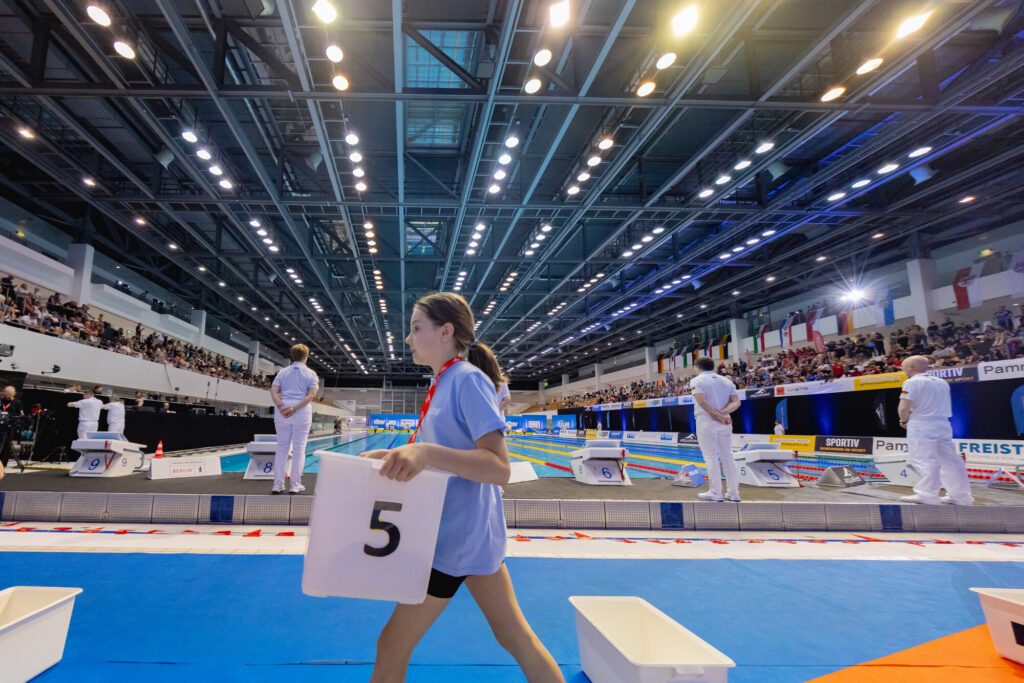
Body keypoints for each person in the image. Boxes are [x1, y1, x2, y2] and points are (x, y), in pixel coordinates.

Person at [360, 292, 562, 683]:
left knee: (392, 645)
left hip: (455, 540)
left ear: (445, 331)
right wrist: (396, 456)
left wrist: (426, 452)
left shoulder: (467, 381)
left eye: (417, 328)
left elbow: (499, 468)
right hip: (466, 535)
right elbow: (442, 455)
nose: (409, 338)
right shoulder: (444, 381)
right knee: (515, 636)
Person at [897, 355, 974, 506]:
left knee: (924, 459)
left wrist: (903, 420)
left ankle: (927, 495)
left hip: (921, 423)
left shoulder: (911, 382)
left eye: (904, 367)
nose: (903, 370)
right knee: (951, 461)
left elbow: (904, 406)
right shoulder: (941, 382)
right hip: (943, 424)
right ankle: (960, 497)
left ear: (912, 367)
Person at [690, 357, 742, 502]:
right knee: (728, 456)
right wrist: (723, 414)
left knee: (710, 457)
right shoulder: (726, 381)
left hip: (707, 422)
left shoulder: (696, 381)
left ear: (697, 367)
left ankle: (715, 492)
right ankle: (734, 493)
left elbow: (701, 402)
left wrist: (717, 415)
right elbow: (736, 402)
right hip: (726, 422)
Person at [270, 343, 319, 494]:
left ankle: (277, 485)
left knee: (282, 447)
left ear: (292, 356)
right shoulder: (311, 374)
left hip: (282, 411)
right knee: (299, 449)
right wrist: (295, 408)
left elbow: (274, 390)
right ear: (306, 356)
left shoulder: (283, 372)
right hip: (301, 412)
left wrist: (280, 406)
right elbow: (311, 395)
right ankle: (295, 485)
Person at [1, 385, 24, 471]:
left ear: (13, 394)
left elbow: (21, 414)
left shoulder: (17, 402)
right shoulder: (1, 401)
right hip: (1, 425)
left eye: (9, 394)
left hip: (10, 426)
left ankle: (3, 463)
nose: (7, 395)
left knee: (7, 445)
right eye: (6, 393)